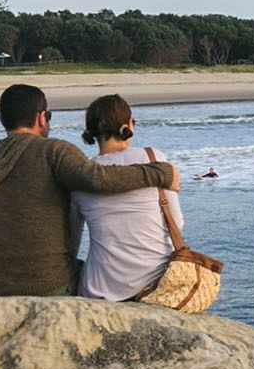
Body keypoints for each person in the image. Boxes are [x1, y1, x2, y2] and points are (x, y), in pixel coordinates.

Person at [0, 83, 177, 298]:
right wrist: (161, 173)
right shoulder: (53, 151)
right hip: (42, 286)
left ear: (2, 120)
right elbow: (98, 178)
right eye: (48, 117)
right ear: (41, 117)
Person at [71, 93, 221, 312]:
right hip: (157, 283)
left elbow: (73, 239)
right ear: (128, 126)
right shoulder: (154, 158)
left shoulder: (81, 176)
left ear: (92, 132)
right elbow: (176, 222)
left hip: (101, 290)